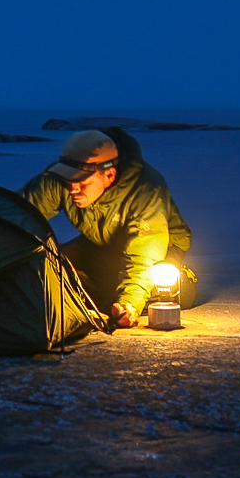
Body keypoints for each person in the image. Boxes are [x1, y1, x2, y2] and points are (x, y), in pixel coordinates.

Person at [19, 127, 192, 328]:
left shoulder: (146, 190)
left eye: (80, 180)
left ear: (109, 174)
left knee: (130, 293)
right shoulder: (62, 181)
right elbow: (18, 211)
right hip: (103, 239)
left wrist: (130, 305)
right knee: (55, 265)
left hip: (159, 244)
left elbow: (143, 260)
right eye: (67, 178)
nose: (72, 188)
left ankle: (182, 281)